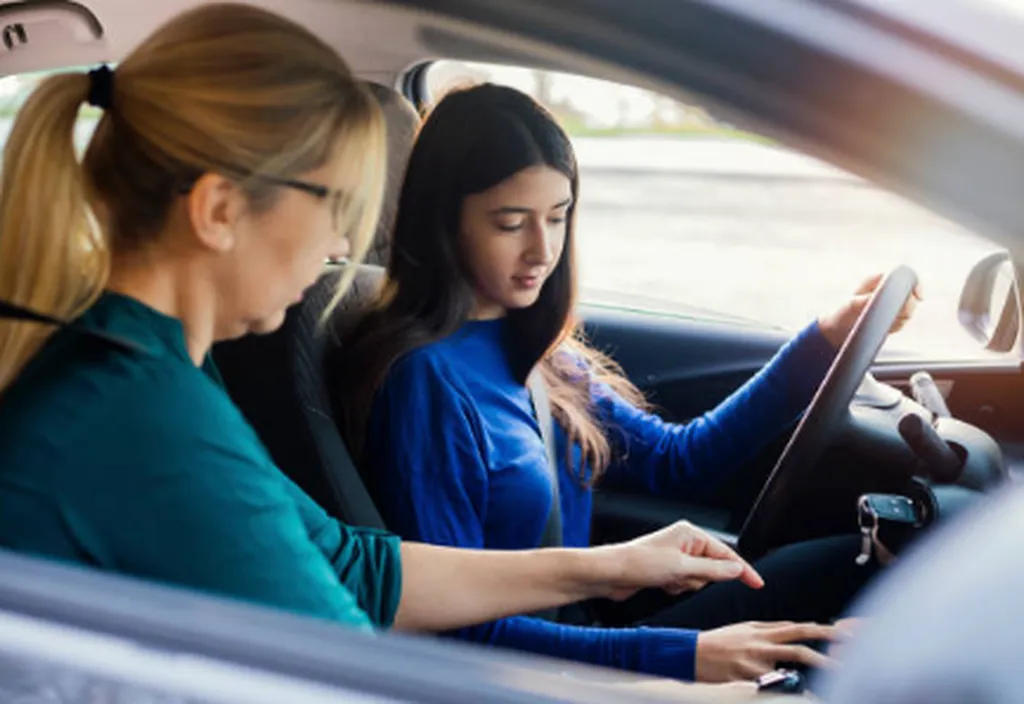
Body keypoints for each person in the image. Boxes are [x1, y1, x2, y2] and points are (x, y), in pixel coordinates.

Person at [0, 4, 764, 642]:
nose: (342, 248)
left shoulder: (149, 370)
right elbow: (341, 654)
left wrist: (609, 567)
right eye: (337, 208)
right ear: (220, 211)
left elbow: (353, 568)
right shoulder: (141, 416)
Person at [334, 84, 920, 682]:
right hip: (546, 671)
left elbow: (677, 460)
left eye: (558, 218)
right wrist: (679, 656)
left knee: (858, 564)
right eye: (510, 224)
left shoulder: (538, 352)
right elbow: (454, 632)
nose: (543, 250)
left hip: (586, 637)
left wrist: (827, 337)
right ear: (445, 224)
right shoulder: (426, 384)